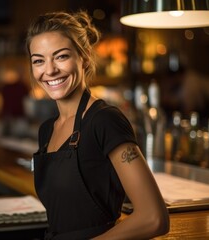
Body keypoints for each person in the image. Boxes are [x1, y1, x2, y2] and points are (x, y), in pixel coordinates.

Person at [26, 10, 169, 239]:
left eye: (61, 56)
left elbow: (154, 218)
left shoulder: (105, 120)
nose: (49, 70)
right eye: (39, 61)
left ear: (83, 57)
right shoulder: (46, 130)